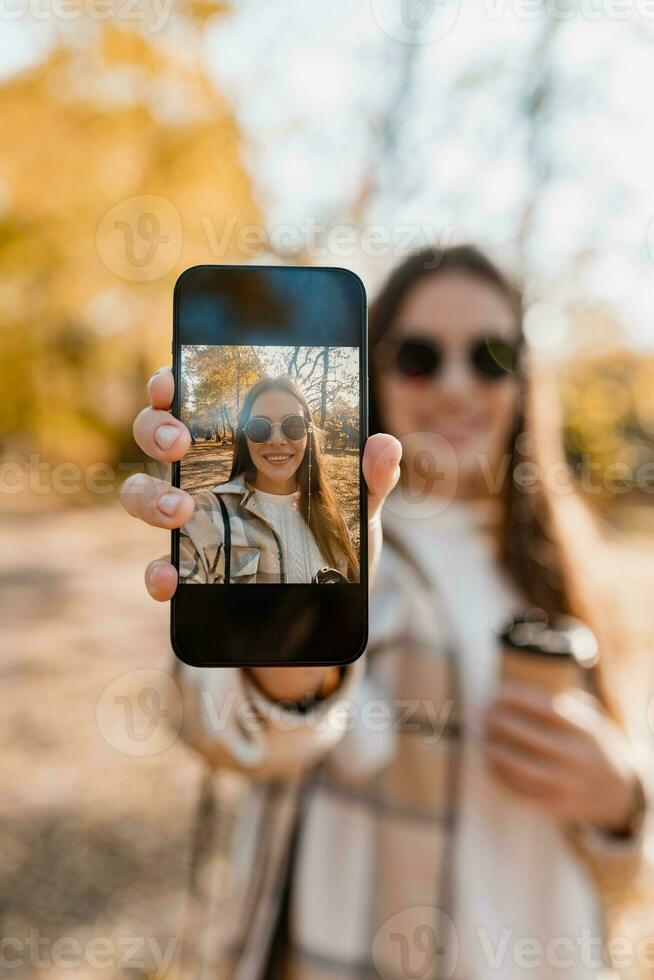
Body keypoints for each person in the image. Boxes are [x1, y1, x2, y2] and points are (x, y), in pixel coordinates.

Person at [121, 246, 649, 980]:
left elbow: (629, 874)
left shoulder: (570, 572)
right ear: (372, 371)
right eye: (421, 357)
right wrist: (286, 673)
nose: (459, 384)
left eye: (492, 355)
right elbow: (228, 727)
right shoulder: (348, 547)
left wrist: (622, 801)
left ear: (526, 378)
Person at [178, 375, 359, 584]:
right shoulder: (204, 515)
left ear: (309, 433)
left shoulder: (332, 517)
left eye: (293, 425)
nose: (276, 440)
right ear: (245, 437)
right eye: (259, 427)